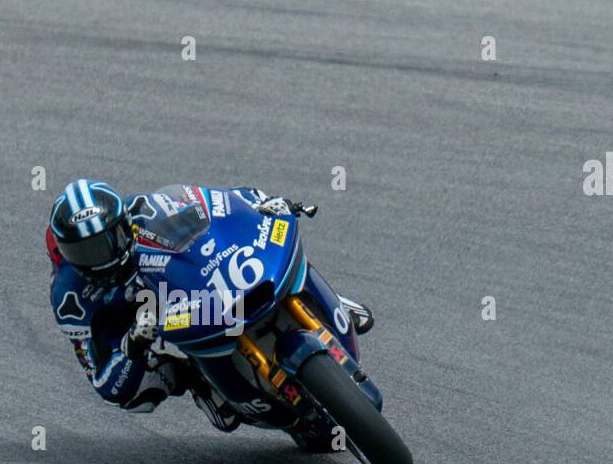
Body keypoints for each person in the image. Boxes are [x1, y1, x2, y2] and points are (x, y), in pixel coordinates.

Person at [46, 179, 370, 437]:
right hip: (151, 328)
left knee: (273, 249)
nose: (101, 255)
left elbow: (217, 203)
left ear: (122, 224)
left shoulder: (145, 211)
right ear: (67, 253)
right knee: (140, 395)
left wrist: (259, 202)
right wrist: (133, 344)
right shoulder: (71, 298)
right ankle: (199, 381)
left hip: (198, 286)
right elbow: (105, 383)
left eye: (107, 240)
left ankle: (323, 301)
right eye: (85, 251)